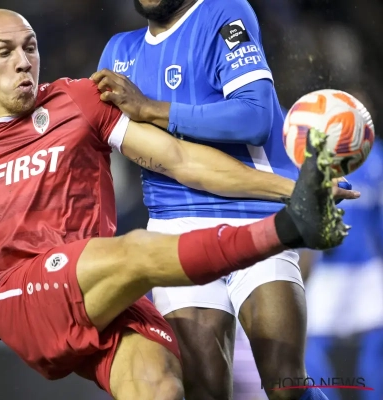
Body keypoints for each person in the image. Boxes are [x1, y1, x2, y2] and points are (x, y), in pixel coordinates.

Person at [0, 9, 350, 400]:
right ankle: (287, 228)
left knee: (164, 385)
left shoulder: (78, 101)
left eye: (30, 47)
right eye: (4, 52)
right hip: (23, 295)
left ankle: (290, 220)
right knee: (136, 250)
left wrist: (293, 188)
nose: (23, 62)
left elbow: (180, 159)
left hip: (96, 293)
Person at [88, 0, 347, 399]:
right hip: (174, 226)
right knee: (204, 389)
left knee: (285, 384)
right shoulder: (118, 52)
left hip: (253, 212)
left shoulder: (223, 12)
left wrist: (150, 109)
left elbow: (254, 117)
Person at [301, 138, 383, 400]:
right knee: (310, 349)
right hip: (322, 271)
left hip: (367, 269)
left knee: (375, 349)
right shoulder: (305, 155)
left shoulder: (376, 156)